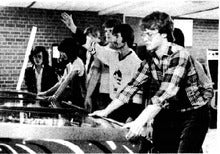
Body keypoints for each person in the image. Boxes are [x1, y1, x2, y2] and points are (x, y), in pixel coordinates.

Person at [90, 11, 213, 153]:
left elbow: (165, 93)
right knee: (160, 148)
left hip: (194, 112)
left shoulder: (180, 55)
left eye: (150, 34)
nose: (145, 38)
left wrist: (139, 121)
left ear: (164, 34)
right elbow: (131, 87)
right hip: (171, 109)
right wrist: (105, 111)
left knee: (185, 150)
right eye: (144, 34)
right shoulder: (150, 59)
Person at [61, 12, 121, 112]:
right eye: (106, 31)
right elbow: (95, 74)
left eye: (111, 31)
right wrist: (88, 96)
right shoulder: (101, 51)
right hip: (104, 95)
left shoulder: (127, 53)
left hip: (121, 97)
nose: (107, 33)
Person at [89, 23, 143, 123]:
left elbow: (138, 96)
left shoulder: (136, 63)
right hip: (113, 105)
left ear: (125, 38)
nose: (113, 39)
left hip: (127, 109)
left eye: (117, 36)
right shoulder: (113, 56)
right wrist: (74, 29)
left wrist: (132, 116)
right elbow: (93, 47)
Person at [38, 38, 86, 108]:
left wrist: (55, 96)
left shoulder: (77, 62)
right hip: (74, 99)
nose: (61, 55)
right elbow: (61, 82)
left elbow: (67, 80)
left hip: (81, 99)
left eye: (62, 52)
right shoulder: (69, 65)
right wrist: (46, 93)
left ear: (69, 51)